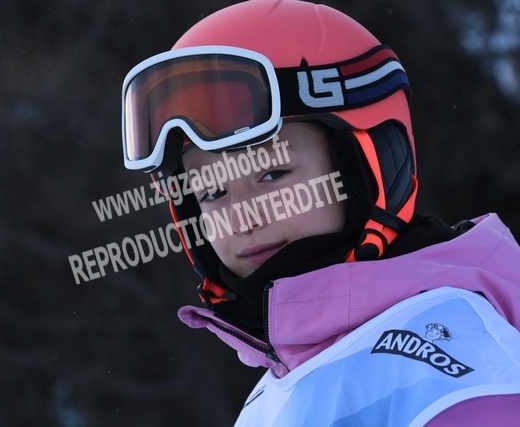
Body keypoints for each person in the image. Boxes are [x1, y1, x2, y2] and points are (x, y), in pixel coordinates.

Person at [120, 0, 520, 425]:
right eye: (212, 192)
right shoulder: (275, 390)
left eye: (272, 174)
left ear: (365, 168)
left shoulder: (455, 364)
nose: (241, 219)